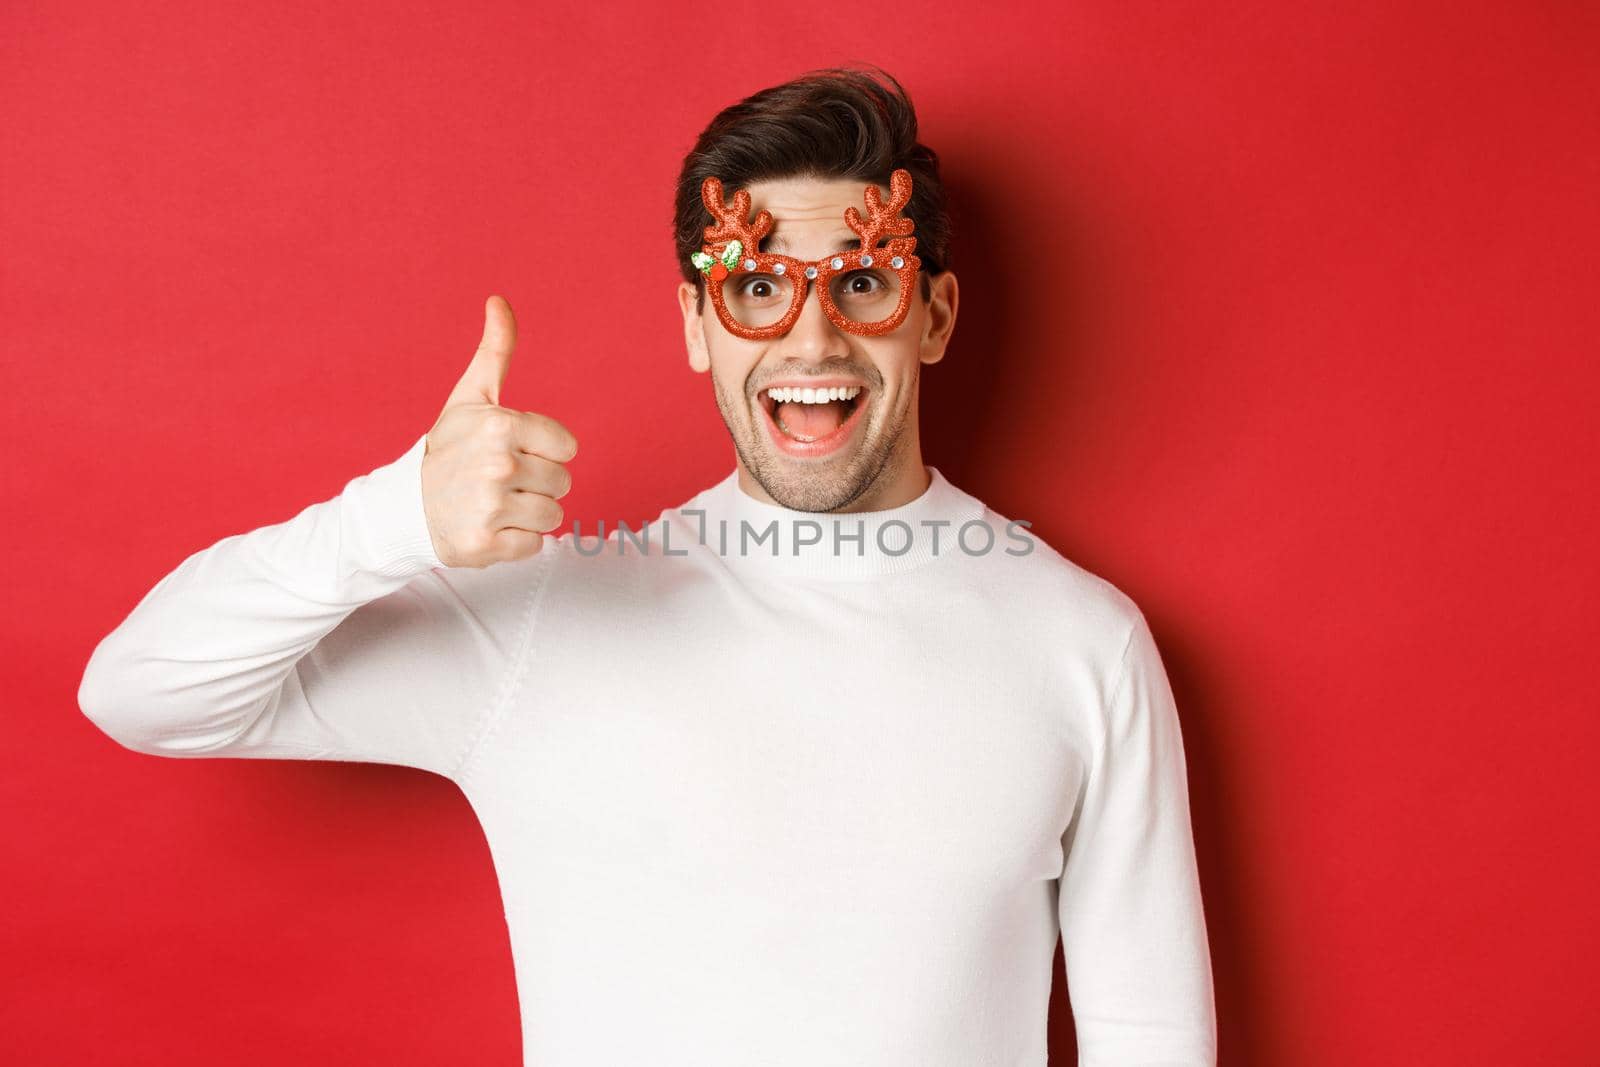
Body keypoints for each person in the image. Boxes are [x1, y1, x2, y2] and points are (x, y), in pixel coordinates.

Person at [78, 66, 1217, 1066]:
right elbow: (139, 689)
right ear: (694, 322)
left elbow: (1150, 1031)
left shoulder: (1080, 641)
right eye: (756, 289)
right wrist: (392, 518)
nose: (810, 342)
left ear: (934, 315)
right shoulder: (544, 621)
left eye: (862, 282)